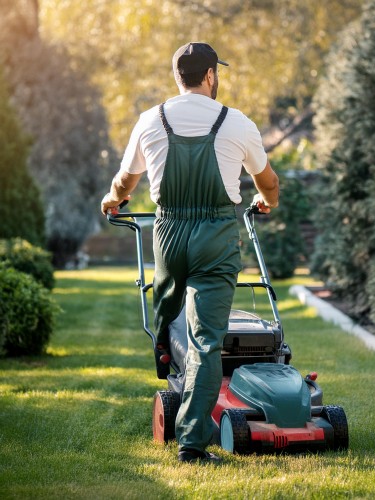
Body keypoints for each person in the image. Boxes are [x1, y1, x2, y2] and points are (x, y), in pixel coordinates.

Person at [101, 42, 279, 463]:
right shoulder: (236, 122)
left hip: (169, 232)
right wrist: (268, 201)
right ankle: (192, 444)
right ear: (211, 75)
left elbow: (126, 180)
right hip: (216, 236)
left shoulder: (151, 120)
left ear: (177, 77)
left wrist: (112, 200)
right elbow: (267, 181)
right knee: (205, 341)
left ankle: (163, 343)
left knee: (166, 300)